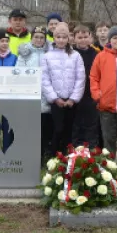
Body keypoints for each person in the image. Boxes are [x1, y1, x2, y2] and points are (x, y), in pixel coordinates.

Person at [41, 23, 86, 157]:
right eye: (58, 37)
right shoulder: (47, 56)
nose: (61, 40)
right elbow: (45, 79)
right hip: (57, 101)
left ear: (68, 39)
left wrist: (73, 98)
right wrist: (55, 98)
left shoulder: (76, 55)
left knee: (69, 130)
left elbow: (80, 78)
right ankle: (53, 156)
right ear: (54, 38)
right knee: (58, 129)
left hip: (71, 101)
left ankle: (68, 158)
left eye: (64, 37)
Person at [17, 26, 52, 158]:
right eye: (36, 37)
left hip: (46, 98)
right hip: (30, 97)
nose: (38, 40)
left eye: (41, 37)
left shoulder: (49, 54)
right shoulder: (24, 55)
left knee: (45, 129)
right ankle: (30, 155)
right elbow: (18, 74)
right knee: (31, 129)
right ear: (31, 38)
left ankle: (44, 154)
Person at [71, 25, 100, 148]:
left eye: (85, 37)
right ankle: (74, 151)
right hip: (74, 93)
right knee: (75, 123)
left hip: (90, 93)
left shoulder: (97, 53)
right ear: (74, 38)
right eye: (79, 37)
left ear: (90, 37)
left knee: (91, 124)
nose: (83, 40)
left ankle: (92, 151)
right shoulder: (70, 52)